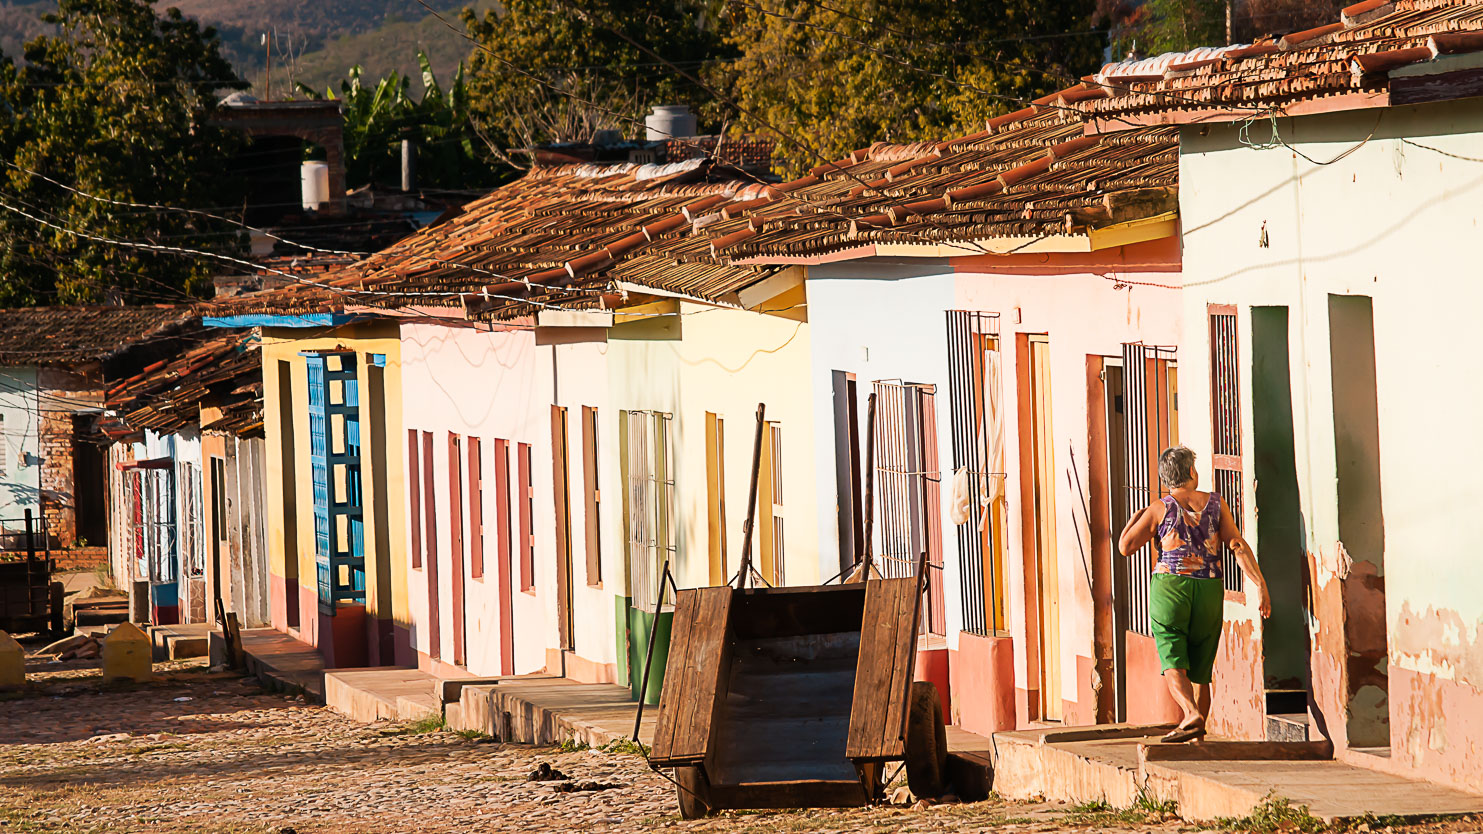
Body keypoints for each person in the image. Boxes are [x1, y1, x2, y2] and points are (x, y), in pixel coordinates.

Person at [1118, 445, 1270, 743]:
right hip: (1209, 588)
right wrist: (1260, 584)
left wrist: (1136, 517)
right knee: (1202, 669)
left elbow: (1125, 547)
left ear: (1167, 478)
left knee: (1173, 655)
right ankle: (1198, 738)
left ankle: (1190, 713)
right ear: (1191, 472)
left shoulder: (1160, 509)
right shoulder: (1216, 504)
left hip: (1171, 587)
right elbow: (1237, 545)